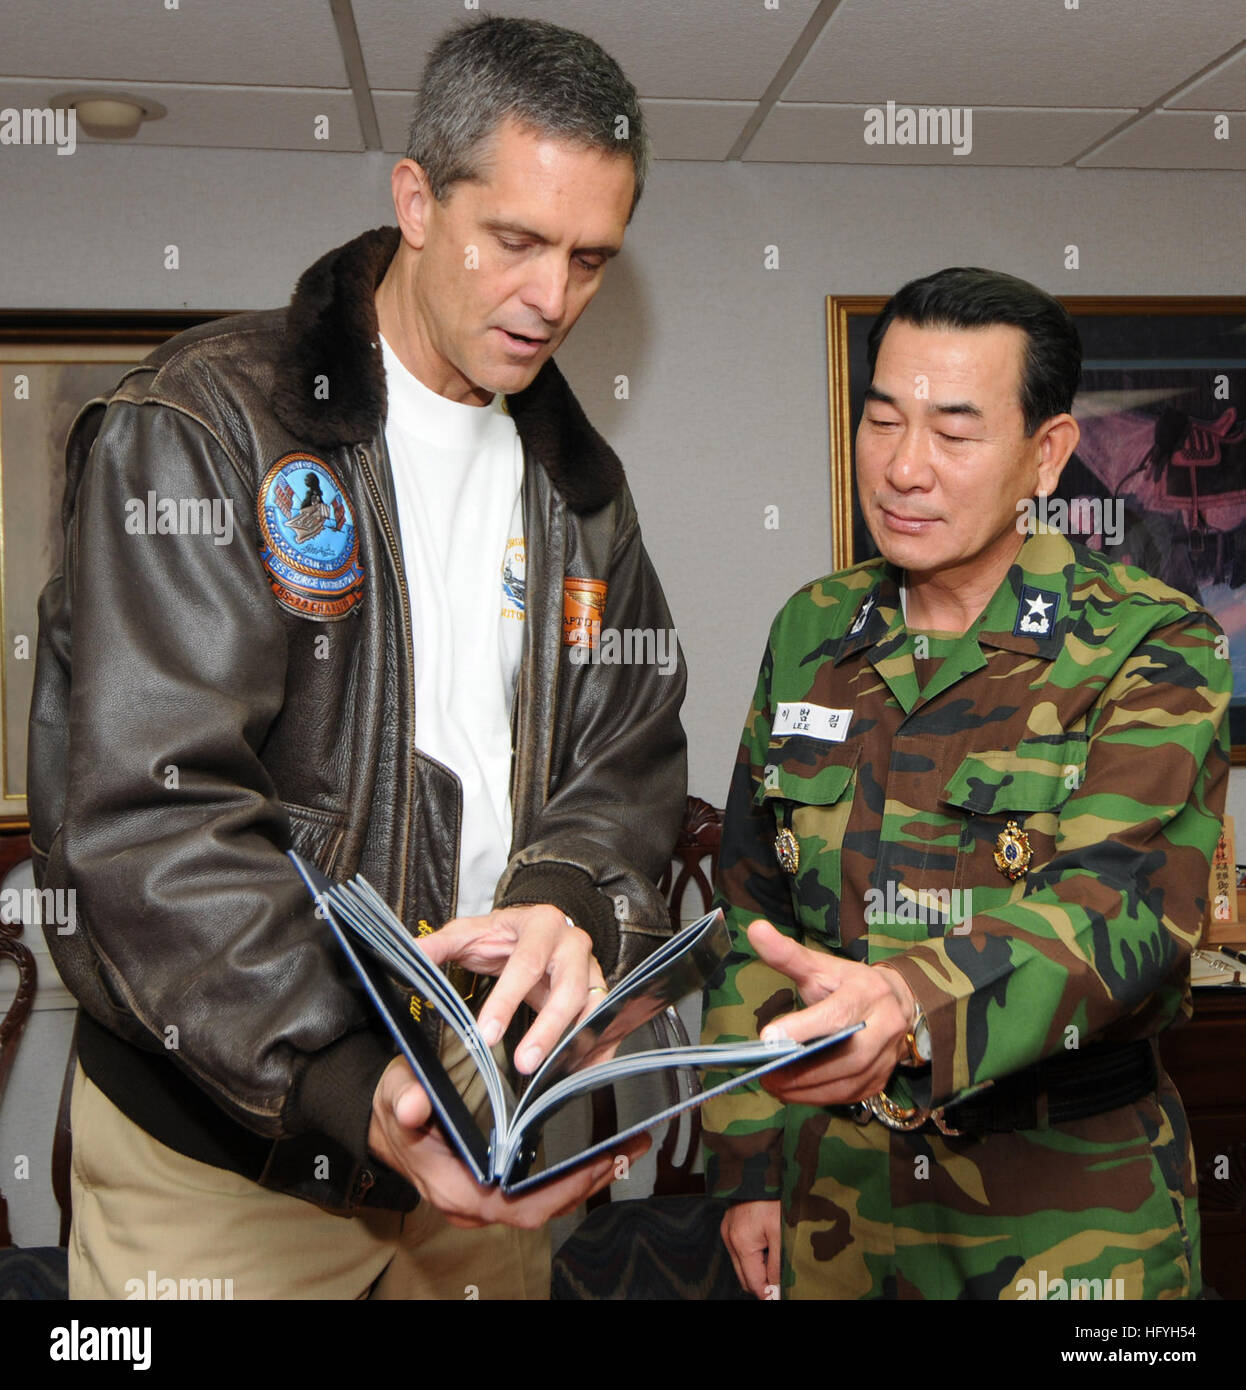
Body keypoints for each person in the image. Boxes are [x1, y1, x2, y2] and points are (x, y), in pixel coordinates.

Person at [28, 16, 686, 1299]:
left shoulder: (582, 490)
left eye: (590, 259)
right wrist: (346, 1073)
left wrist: (563, 897)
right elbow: (151, 816)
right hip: (230, 1164)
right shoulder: (202, 427)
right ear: (416, 202)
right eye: (517, 241)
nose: (551, 297)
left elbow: (628, 758)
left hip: (474, 1139)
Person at [701, 267, 1229, 1301]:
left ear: (1047, 454)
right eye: (882, 420)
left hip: (1072, 1209)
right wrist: (749, 1160)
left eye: (953, 432)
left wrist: (907, 1002)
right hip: (837, 1200)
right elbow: (750, 904)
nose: (903, 467)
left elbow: (1116, 907)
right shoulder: (812, 631)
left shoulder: (1150, 643)